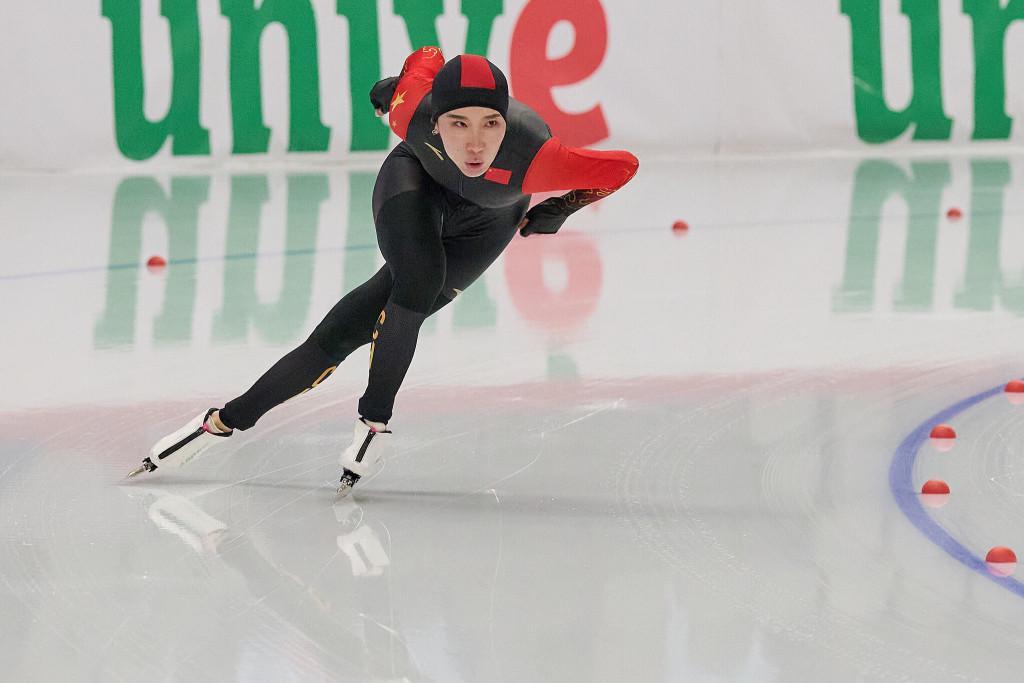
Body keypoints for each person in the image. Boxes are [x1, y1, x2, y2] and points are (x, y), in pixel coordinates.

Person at [127, 47, 639, 495]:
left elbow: (622, 166)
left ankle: (232, 422)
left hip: (490, 220)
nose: (476, 144)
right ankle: (358, 422)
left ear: (506, 122)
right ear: (434, 120)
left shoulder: (539, 158)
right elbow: (428, 54)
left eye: (491, 124)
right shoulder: (408, 110)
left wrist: (564, 205)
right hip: (416, 179)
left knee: (357, 325)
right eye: (458, 124)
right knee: (418, 282)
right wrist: (395, 86)